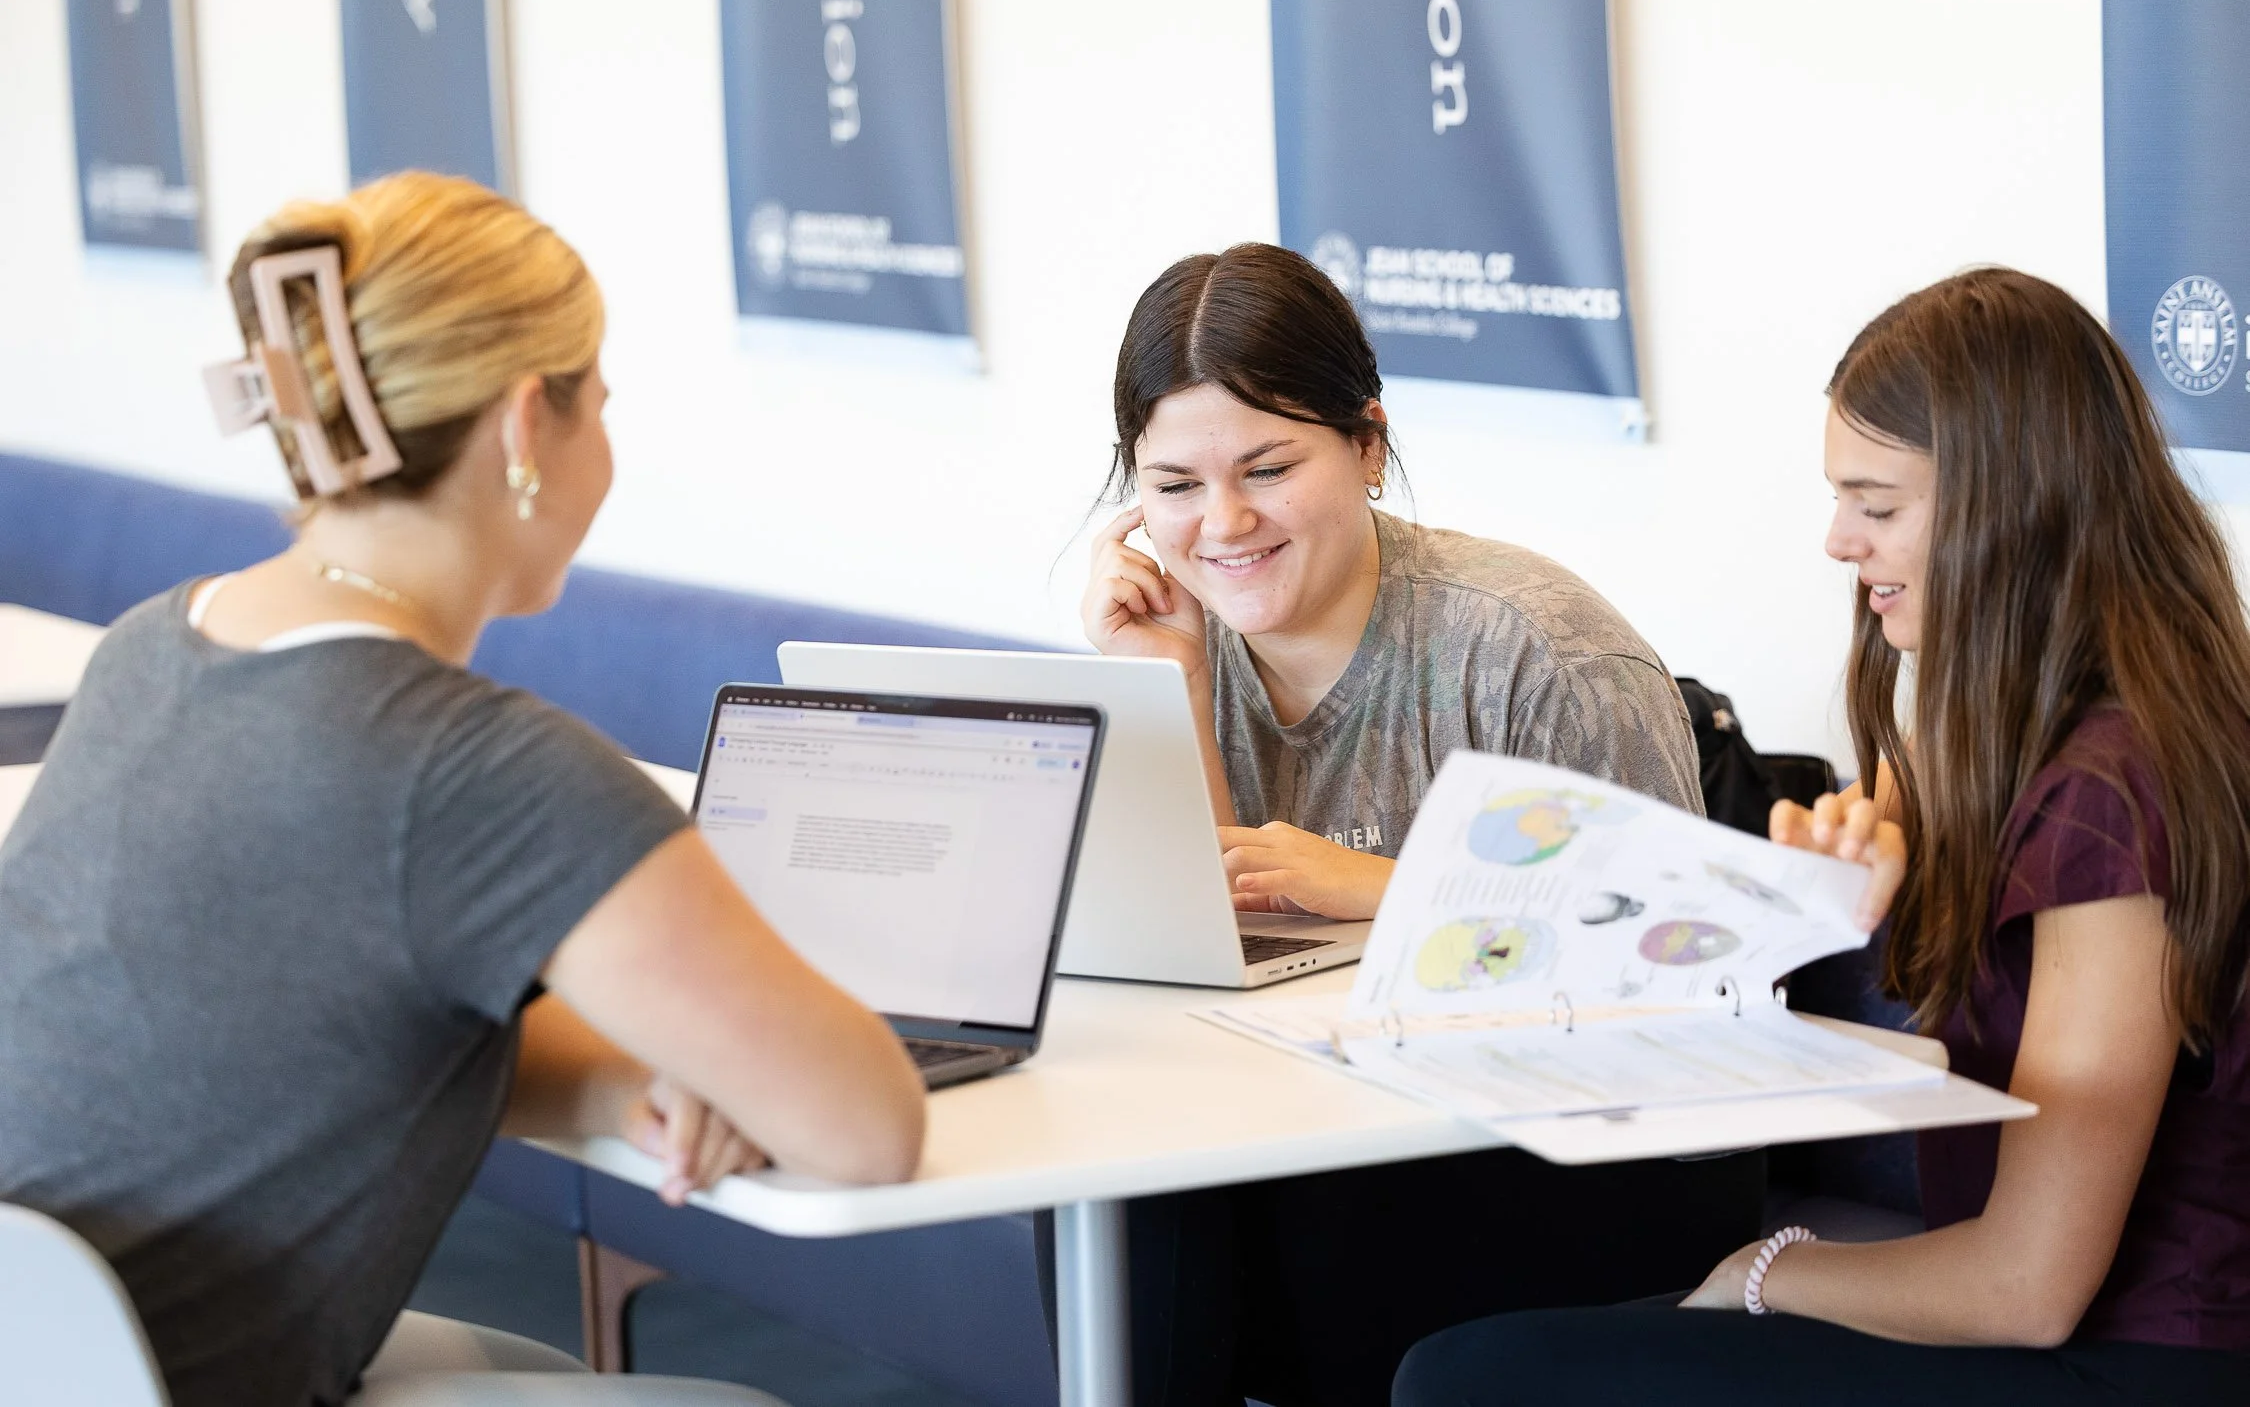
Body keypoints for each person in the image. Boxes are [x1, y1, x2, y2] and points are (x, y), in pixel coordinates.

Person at [0, 173, 926, 1407]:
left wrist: (620, 1072)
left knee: (521, 1366)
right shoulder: (477, 771)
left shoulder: (154, 648)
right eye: (598, 402)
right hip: (196, 1376)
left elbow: (326, 1024)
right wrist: (681, 1061)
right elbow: (869, 1131)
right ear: (522, 426)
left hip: (57, 1358)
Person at [1393, 268, 2250, 1406]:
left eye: (1879, 506)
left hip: (2127, 1359)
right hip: (2043, 1320)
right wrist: (1840, 875)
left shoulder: (2112, 793)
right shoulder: (2014, 727)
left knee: (1466, 1379)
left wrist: (1768, 1271)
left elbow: (2027, 1288)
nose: (1840, 540)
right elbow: (1911, 847)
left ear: (2017, 510)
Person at [1063, 243, 1756, 1407]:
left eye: (1268, 468)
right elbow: (1192, 968)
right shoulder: (1174, 639)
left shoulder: (1538, 649)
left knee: (1244, 1212)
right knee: (1121, 1189)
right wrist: (1169, 687)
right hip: (1322, 1118)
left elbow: (1691, 974)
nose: (1222, 524)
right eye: (1174, 486)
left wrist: (1394, 883)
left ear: (1369, 446)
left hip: (1578, 1144)